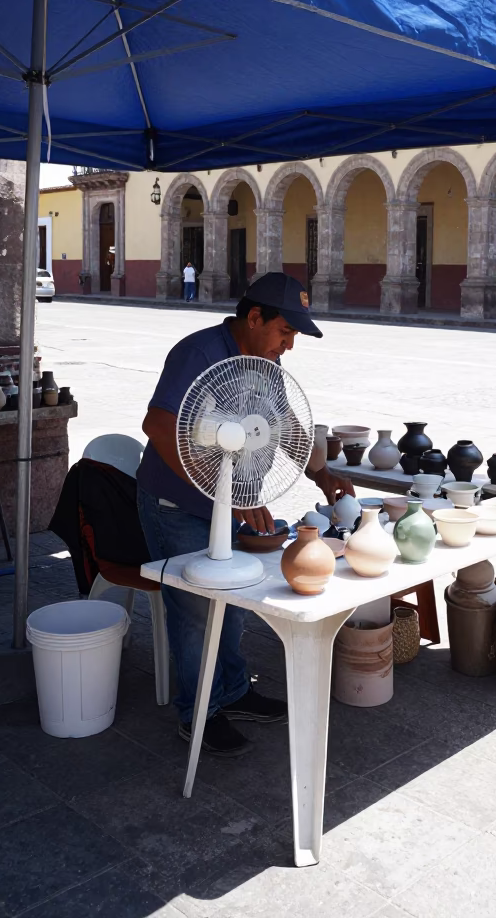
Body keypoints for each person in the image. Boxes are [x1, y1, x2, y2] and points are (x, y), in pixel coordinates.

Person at [136, 272, 355, 757]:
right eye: (285, 331)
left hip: (231, 509)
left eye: (294, 335)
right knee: (196, 613)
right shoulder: (198, 353)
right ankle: (198, 715)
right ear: (254, 317)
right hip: (179, 507)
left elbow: (292, 431)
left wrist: (323, 476)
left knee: (233, 603)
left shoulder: (266, 363)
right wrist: (226, 496)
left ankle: (233, 692)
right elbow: (157, 423)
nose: (289, 345)